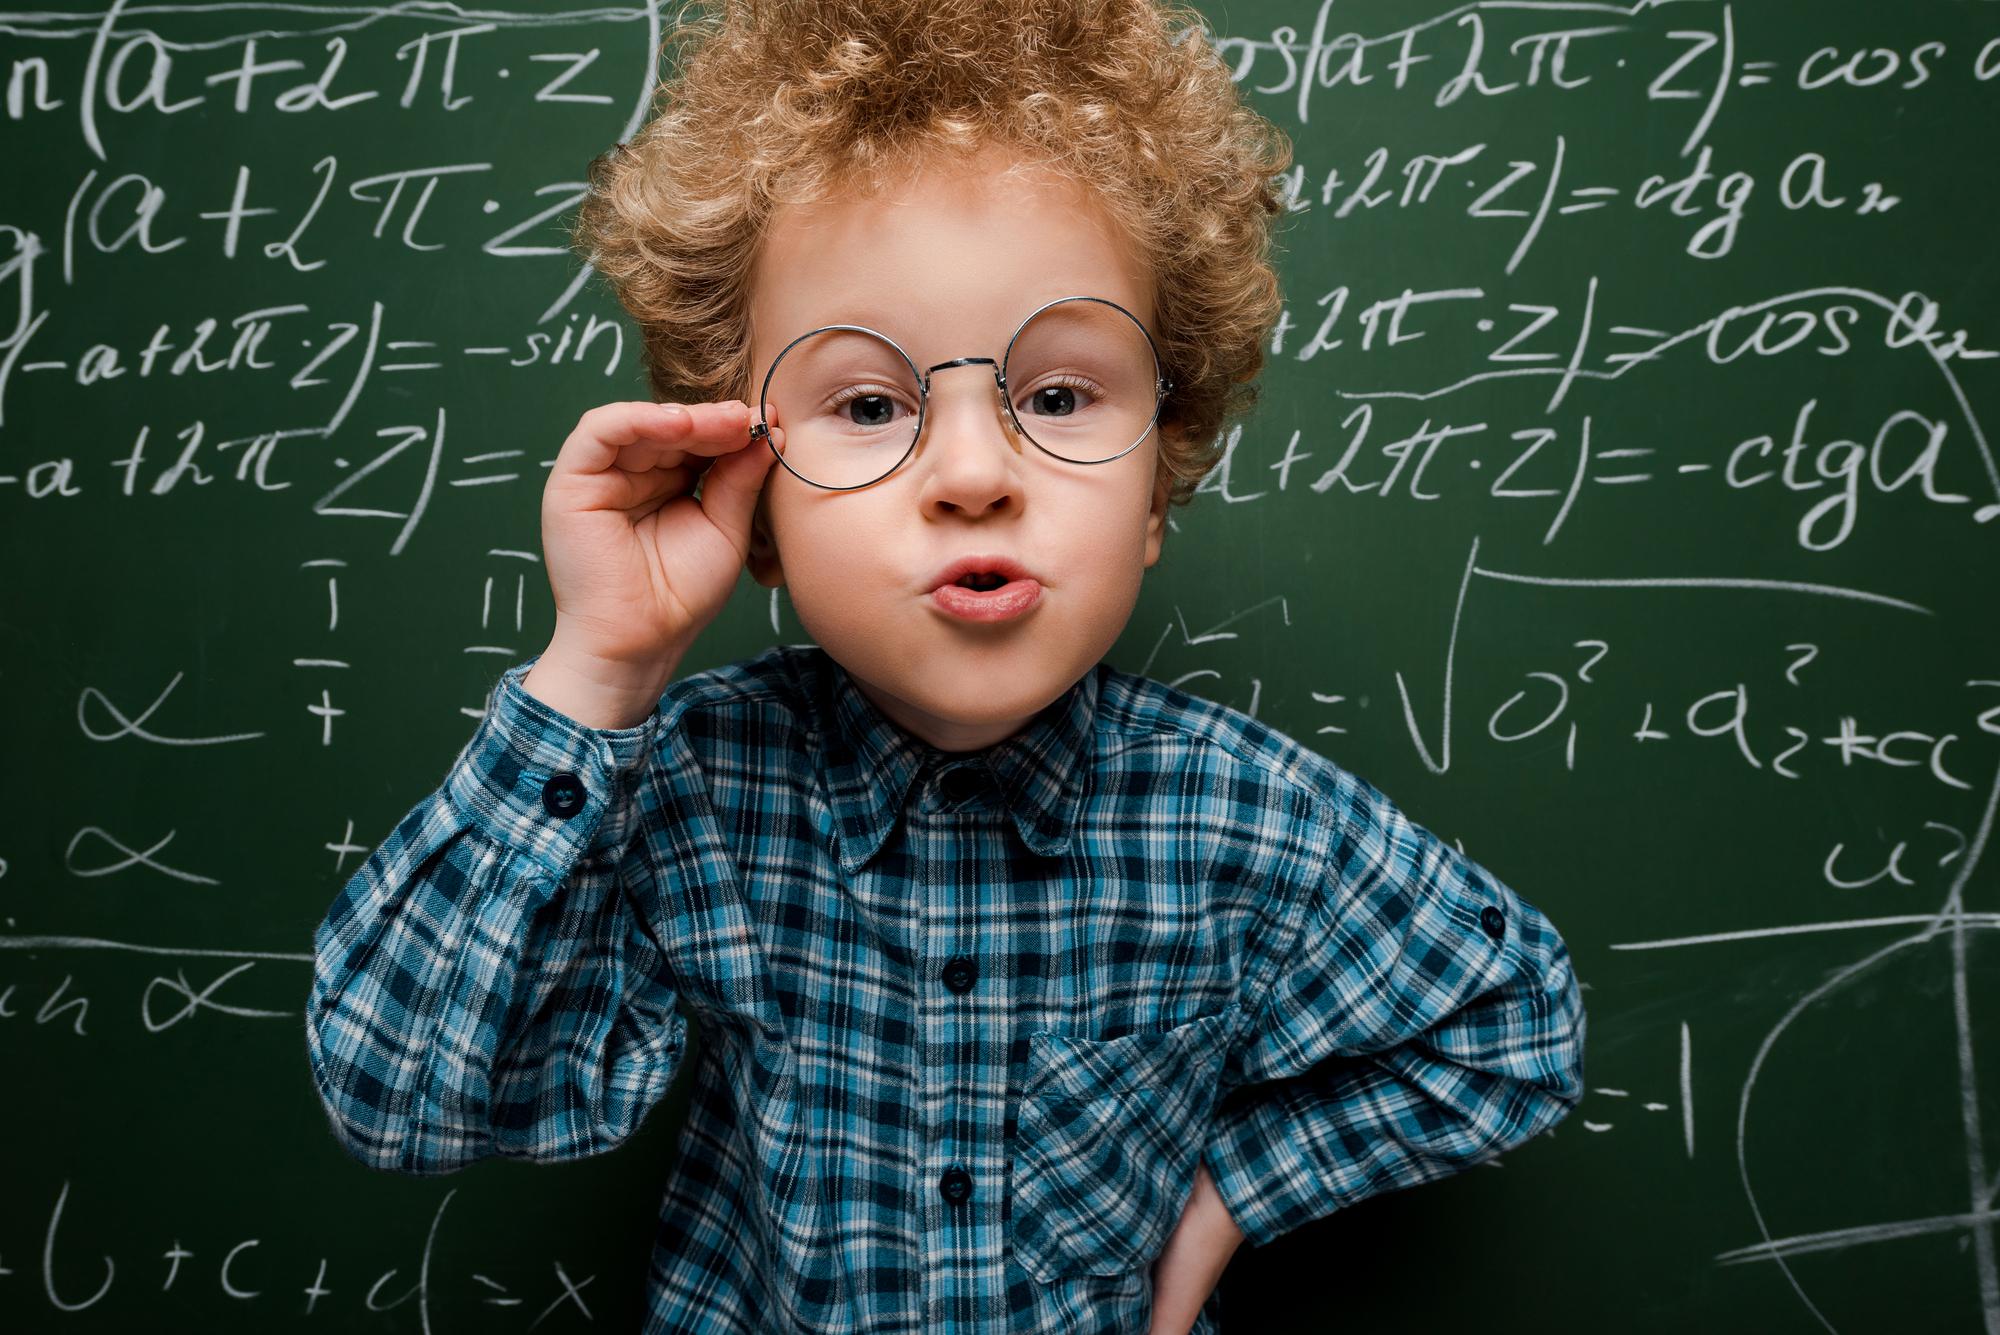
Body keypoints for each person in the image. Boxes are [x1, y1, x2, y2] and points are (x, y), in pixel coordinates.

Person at [306, 2, 1586, 1332]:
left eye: (1057, 396)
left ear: (1159, 482)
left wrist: (1227, 1198)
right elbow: (404, 1100)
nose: (975, 475)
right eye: (869, 405)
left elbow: (1515, 1020)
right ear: (752, 489)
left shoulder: (1242, 818)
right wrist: (596, 670)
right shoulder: (693, 788)